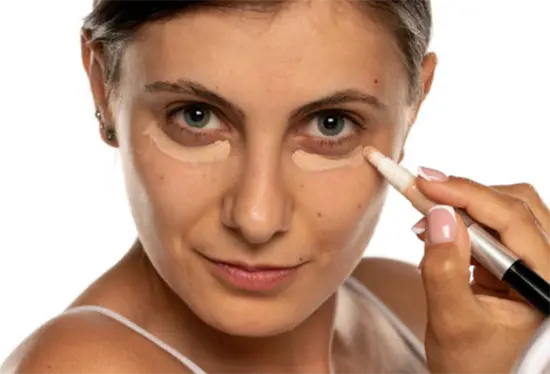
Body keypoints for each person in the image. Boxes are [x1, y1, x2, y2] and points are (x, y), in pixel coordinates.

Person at [1, 0, 549, 373]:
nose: (257, 218)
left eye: (329, 123)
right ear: (102, 85)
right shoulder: (84, 364)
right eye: (195, 116)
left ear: (414, 106)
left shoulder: (409, 304)